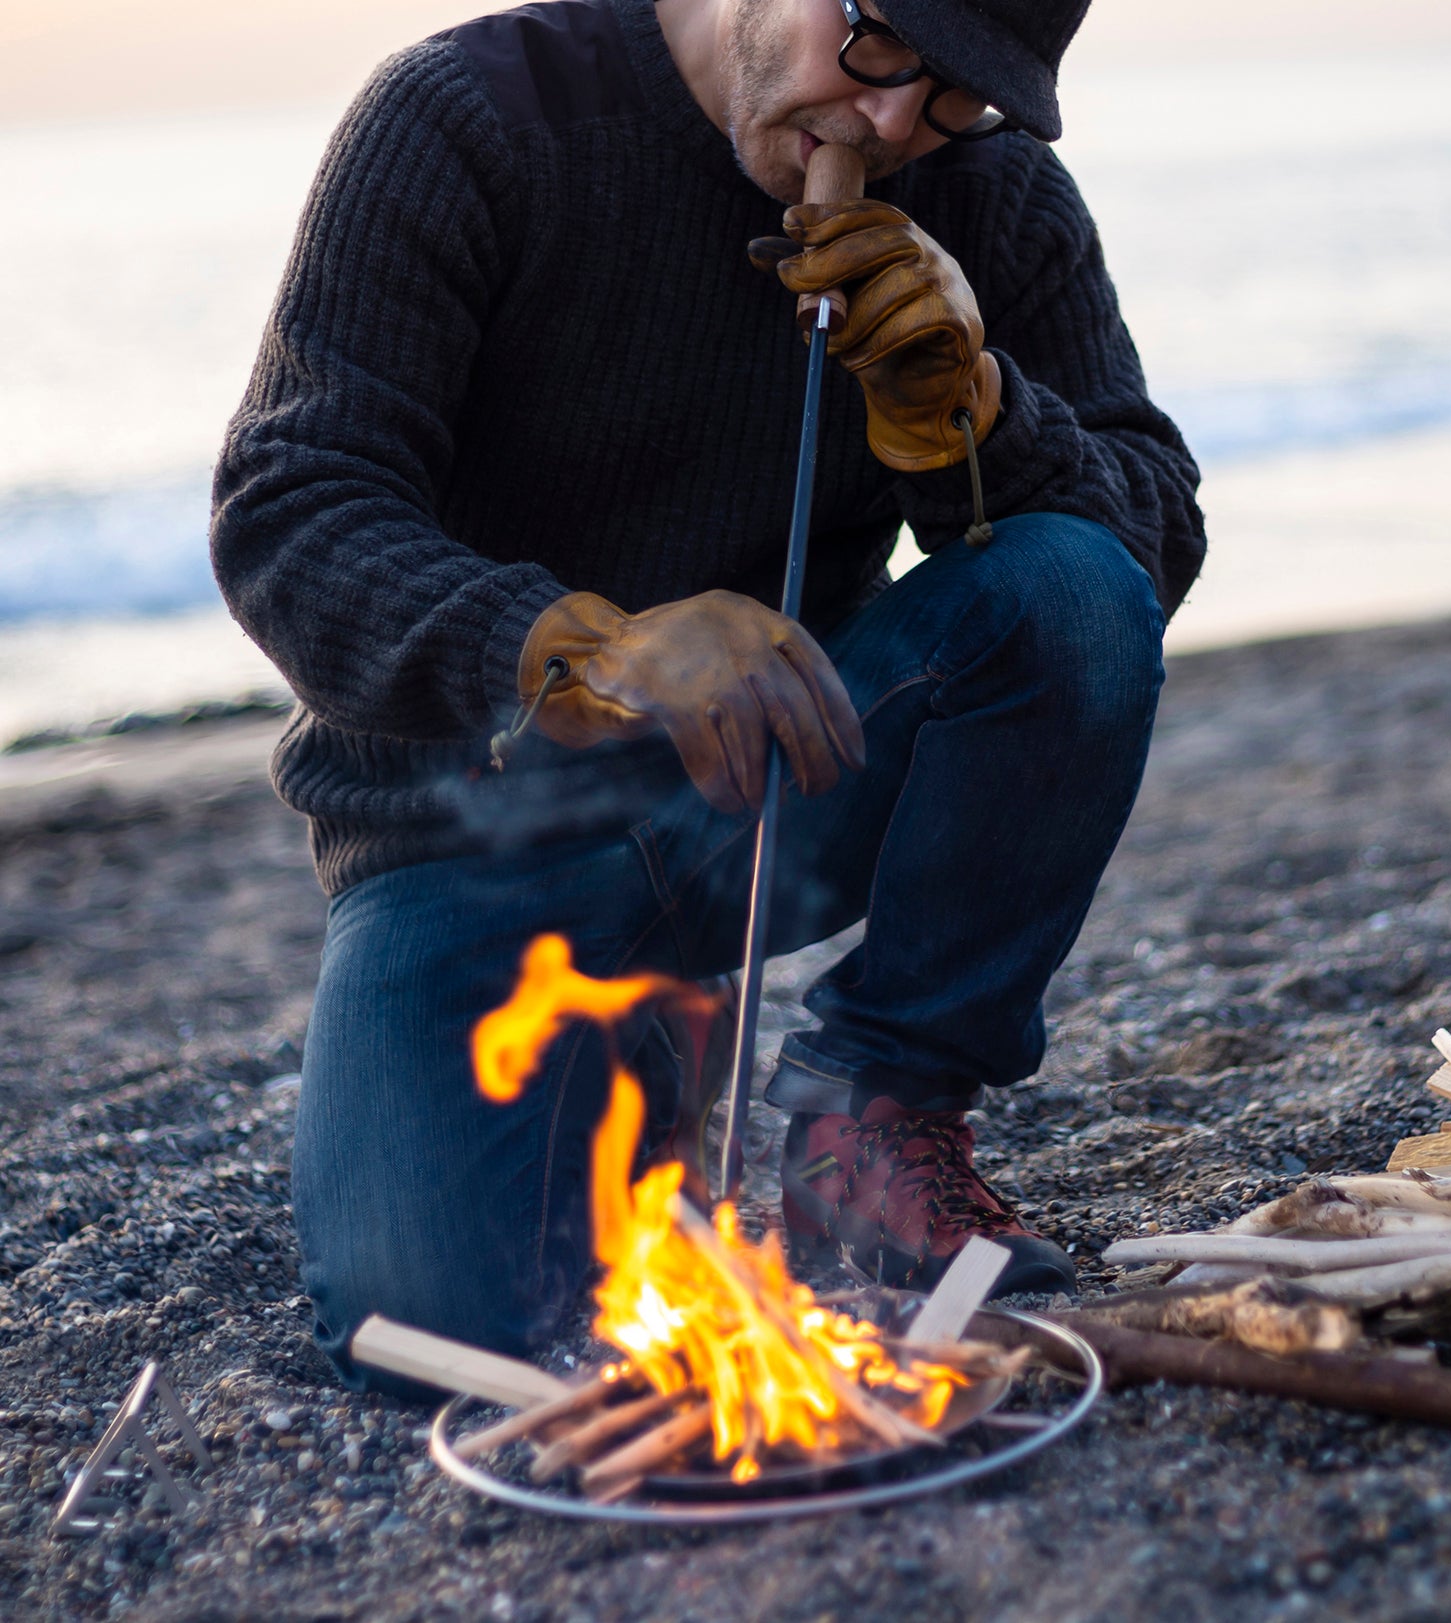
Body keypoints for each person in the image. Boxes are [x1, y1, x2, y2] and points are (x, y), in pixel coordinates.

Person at [211, 0, 1205, 1390]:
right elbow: (290, 510)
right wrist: (581, 647)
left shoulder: (985, 190)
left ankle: (876, 1109)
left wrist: (971, 413)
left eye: (963, 93)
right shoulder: (475, 117)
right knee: (431, 1336)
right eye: (875, 47)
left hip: (758, 807)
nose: (895, 122)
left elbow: (1143, 548)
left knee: (1068, 590)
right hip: (460, 855)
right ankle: (635, 1052)